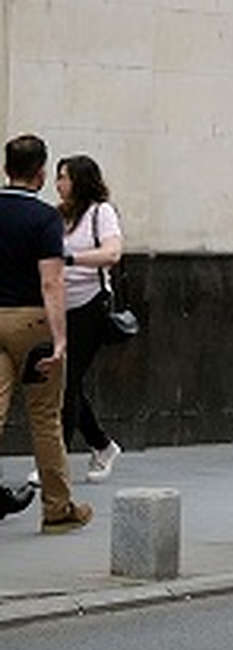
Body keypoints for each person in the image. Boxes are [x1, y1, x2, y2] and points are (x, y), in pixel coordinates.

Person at [0, 134, 88, 531]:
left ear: (5, 169)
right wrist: (60, 337)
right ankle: (57, 507)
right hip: (32, 322)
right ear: (39, 174)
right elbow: (52, 281)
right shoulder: (44, 218)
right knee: (45, 416)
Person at [52, 155, 125, 481]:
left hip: (90, 307)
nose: (59, 184)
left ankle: (55, 463)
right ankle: (103, 444)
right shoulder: (57, 215)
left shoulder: (101, 212)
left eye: (64, 177)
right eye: (57, 177)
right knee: (67, 383)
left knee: (66, 383)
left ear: (81, 181)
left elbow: (112, 253)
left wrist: (70, 259)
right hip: (57, 307)